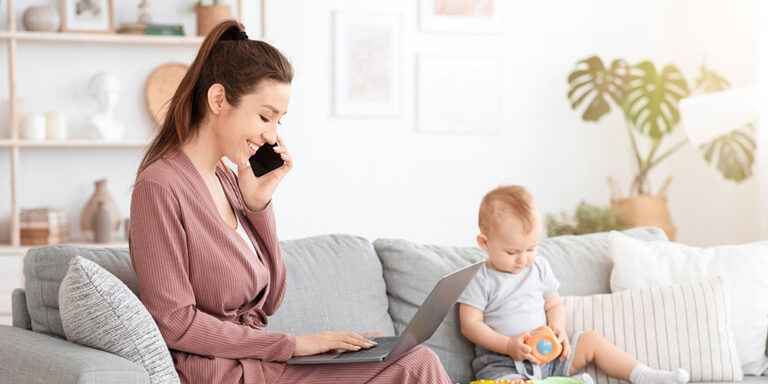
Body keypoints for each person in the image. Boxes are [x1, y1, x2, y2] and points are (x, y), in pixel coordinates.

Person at [129, 20, 451, 384]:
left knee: (401, 352)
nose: (272, 135)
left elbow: (268, 302)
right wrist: (292, 344)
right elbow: (174, 323)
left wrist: (258, 206)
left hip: (261, 358)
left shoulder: (227, 179)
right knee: (415, 365)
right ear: (218, 99)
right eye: (265, 116)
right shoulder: (159, 187)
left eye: (279, 120)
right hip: (224, 371)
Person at [457, 185, 691, 383]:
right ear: (484, 242)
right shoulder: (480, 278)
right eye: (512, 252)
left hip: (549, 353)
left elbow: (553, 304)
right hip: (503, 364)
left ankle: (643, 375)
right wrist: (508, 345)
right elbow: (470, 324)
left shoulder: (539, 267)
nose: (523, 259)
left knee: (591, 341)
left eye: (531, 248)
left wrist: (558, 329)